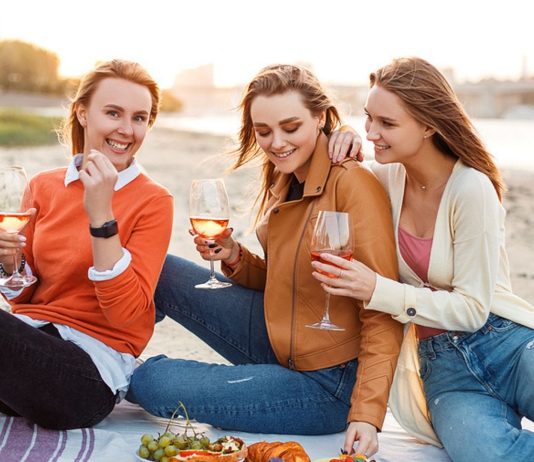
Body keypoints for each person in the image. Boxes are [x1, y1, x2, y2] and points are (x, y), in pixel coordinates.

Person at [127, 64, 403, 457]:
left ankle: (131, 372)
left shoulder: (353, 183)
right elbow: (287, 281)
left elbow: (382, 308)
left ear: (320, 117)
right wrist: (235, 257)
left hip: (330, 384)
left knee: (151, 382)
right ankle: (107, 346)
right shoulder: (285, 175)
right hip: (280, 336)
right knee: (161, 269)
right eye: (264, 131)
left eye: (291, 128)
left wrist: (368, 414)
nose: (276, 143)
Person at [314, 57, 534, 461]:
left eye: (387, 123)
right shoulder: (383, 179)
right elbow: (338, 171)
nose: (372, 133)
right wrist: (342, 133)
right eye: (368, 119)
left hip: (508, 345)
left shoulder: (471, 188)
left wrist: (376, 289)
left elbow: (471, 310)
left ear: (430, 125)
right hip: (446, 373)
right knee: (492, 456)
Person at [0, 59, 173, 430]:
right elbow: (21, 298)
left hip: (89, 373)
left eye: (140, 118)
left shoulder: (154, 201)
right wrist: (10, 262)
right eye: (113, 113)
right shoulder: (43, 186)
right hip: (27, 349)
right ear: (82, 113)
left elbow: (125, 315)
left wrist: (101, 216)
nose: (127, 130)